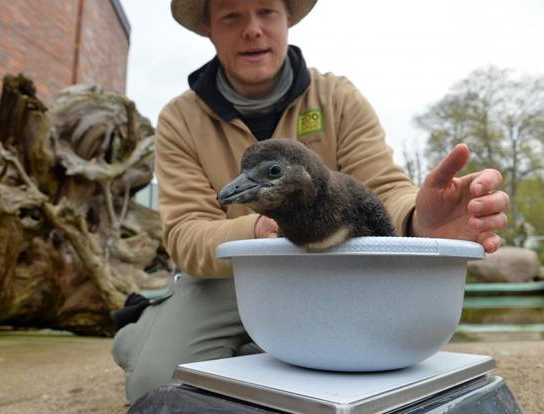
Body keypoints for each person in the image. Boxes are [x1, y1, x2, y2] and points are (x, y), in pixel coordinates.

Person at [112, 0, 509, 404]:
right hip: (229, 276)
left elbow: (383, 188)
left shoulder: (335, 97)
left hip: (335, 268)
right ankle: (141, 331)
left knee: (366, 373)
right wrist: (271, 229)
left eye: (266, 11)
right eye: (231, 15)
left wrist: (419, 220)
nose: (252, 29)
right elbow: (185, 232)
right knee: (157, 384)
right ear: (209, 29)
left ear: (287, 20)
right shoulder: (181, 118)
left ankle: (254, 347)